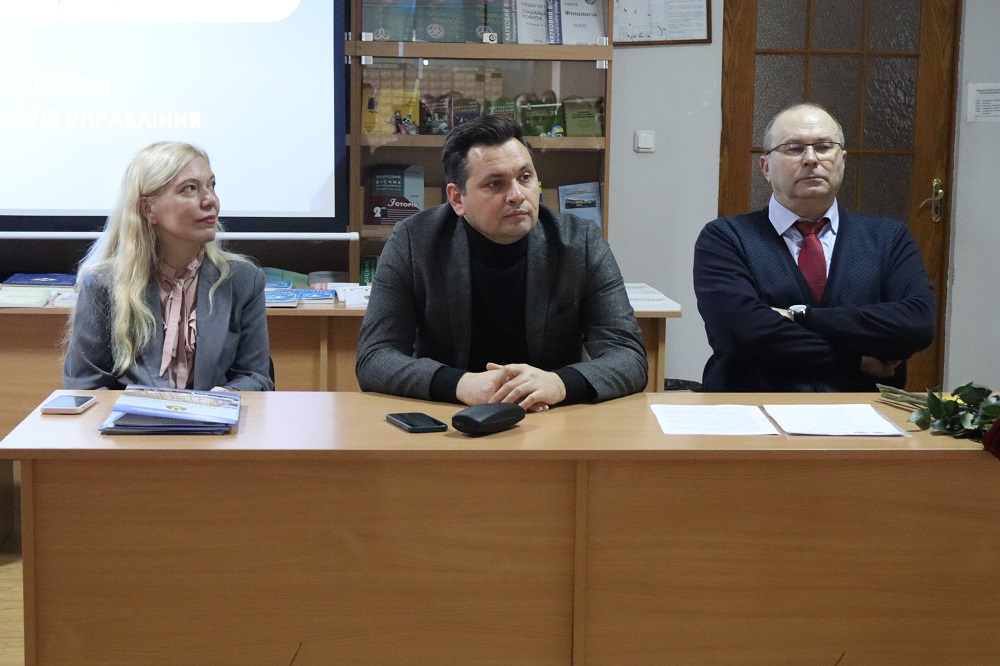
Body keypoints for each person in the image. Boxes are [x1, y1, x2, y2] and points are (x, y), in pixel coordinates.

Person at [356, 115, 647, 411]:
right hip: (451, 415)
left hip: (553, 416)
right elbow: (374, 357)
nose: (517, 195)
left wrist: (559, 383)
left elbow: (629, 356)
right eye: (495, 184)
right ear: (457, 199)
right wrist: (460, 384)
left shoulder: (580, 243)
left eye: (525, 177)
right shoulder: (414, 241)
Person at [693, 103, 935, 392]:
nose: (811, 159)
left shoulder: (888, 238)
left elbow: (916, 324)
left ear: (842, 160)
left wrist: (800, 315)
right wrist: (856, 359)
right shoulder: (726, 238)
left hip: (862, 411)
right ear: (766, 167)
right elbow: (743, 334)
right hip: (754, 407)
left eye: (823, 147)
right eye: (793, 148)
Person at [64, 141, 273, 391]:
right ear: (148, 208)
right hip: (128, 417)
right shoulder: (102, 284)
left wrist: (221, 400)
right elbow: (85, 386)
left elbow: (256, 376)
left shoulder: (243, 280)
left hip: (217, 415)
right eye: (190, 188)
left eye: (211, 185)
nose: (210, 200)